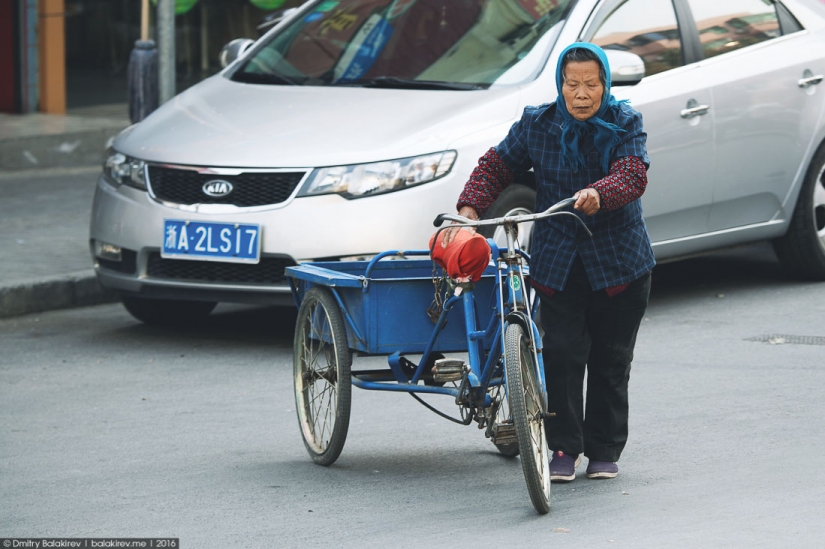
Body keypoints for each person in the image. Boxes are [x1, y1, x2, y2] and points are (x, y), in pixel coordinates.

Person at [446, 42, 655, 481]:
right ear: (560, 84)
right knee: (560, 354)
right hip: (558, 260)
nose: (581, 94)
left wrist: (602, 192)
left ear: (605, 85)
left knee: (610, 359)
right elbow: (495, 166)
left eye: (591, 84)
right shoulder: (536, 124)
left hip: (619, 262)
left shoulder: (625, 122)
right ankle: (563, 447)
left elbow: (633, 173)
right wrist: (469, 211)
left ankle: (604, 450)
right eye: (572, 83)